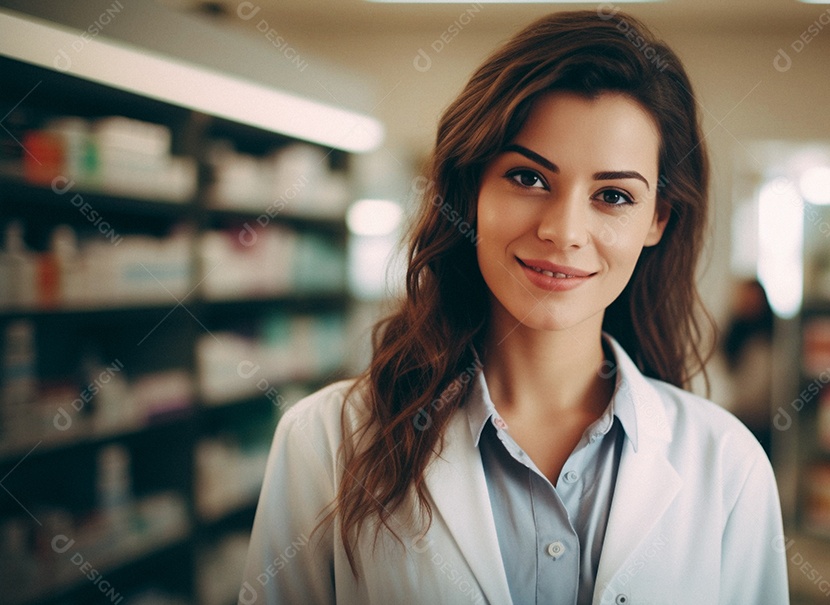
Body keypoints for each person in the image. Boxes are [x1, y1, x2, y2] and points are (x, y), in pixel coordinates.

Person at [241, 9, 789, 605]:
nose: (564, 231)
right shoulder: (327, 443)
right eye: (529, 178)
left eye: (613, 196)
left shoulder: (728, 465)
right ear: (471, 191)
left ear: (657, 220)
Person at [720, 279, 775, 455]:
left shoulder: (769, 339)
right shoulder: (733, 332)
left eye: (752, 297)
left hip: (764, 418)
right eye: (743, 297)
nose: (747, 302)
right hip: (739, 413)